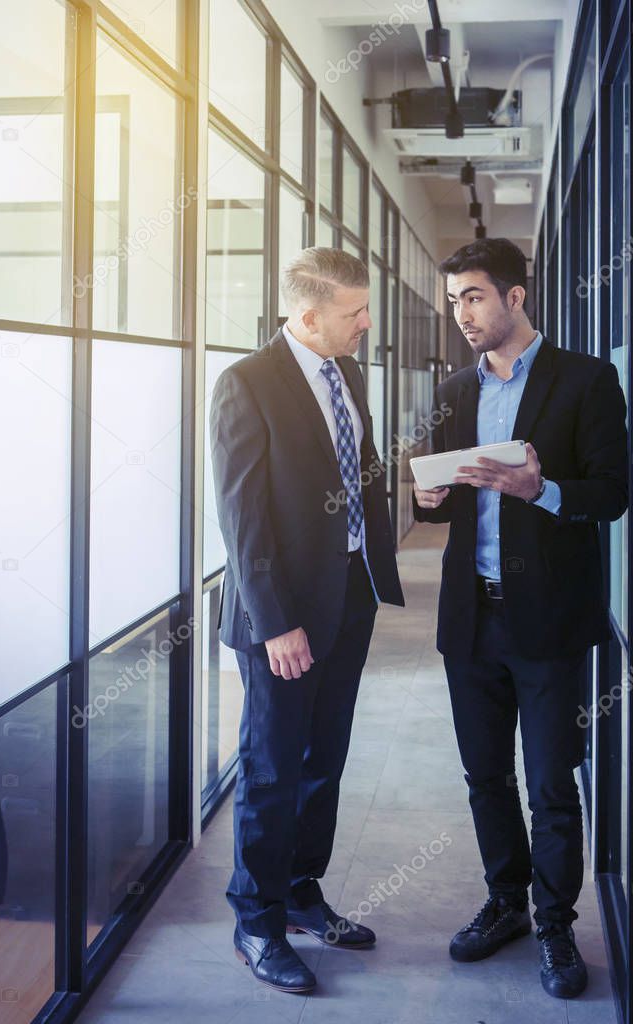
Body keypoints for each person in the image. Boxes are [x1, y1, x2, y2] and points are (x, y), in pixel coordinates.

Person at [413, 238, 628, 1000]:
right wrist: (426, 499)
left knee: (550, 784)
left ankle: (553, 923)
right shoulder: (451, 391)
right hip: (470, 619)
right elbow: (435, 501)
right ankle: (504, 902)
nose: (462, 313)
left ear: (514, 297)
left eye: (473, 296)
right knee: (483, 777)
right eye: (453, 301)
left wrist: (539, 489)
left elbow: (610, 494)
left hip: (548, 621)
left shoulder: (586, 380)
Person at [210, 246, 404, 994]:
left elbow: (354, 473)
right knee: (270, 768)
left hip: (347, 595)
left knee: (323, 759)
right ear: (308, 314)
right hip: (280, 616)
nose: (365, 323)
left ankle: (299, 890)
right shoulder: (246, 384)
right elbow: (242, 520)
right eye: (354, 312)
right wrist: (275, 624)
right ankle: (254, 921)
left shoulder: (345, 372)